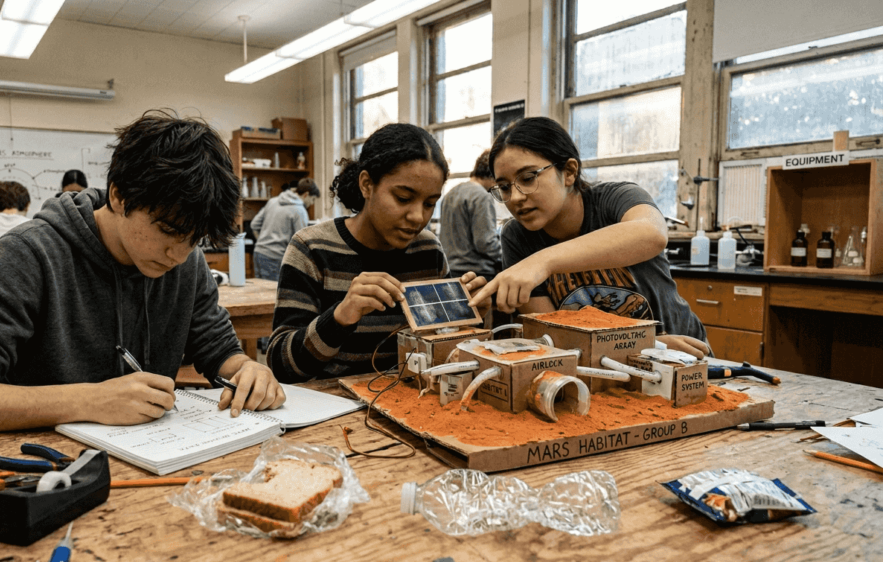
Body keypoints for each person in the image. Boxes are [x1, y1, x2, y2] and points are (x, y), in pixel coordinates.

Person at [0, 110, 285, 434]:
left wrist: (249, 371)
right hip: (42, 473)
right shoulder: (29, 254)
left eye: (195, 239)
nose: (178, 253)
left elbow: (219, 350)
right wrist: (89, 400)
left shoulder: (186, 260)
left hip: (151, 460)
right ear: (119, 196)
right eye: (167, 231)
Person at [470, 117, 710, 359]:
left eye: (528, 178)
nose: (516, 197)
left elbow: (652, 234)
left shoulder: (616, 199)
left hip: (681, 352)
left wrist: (542, 261)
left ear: (569, 172)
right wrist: (644, 345)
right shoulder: (517, 236)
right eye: (504, 187)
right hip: (603, 362)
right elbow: (551, 336)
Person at [267, 123, 487, 384]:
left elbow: (445, 355)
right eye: (403, 198)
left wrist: (471, 323)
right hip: (332, 413)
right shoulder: (312, 248)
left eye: (430, 204)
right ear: (367, 185)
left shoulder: (428, 251)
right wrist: (339, 318)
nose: (418, 217)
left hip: (411, 403)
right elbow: (281, 366)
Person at [438, 150, 502, 281]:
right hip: (477, 273)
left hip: (451, 271)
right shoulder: (482, 196)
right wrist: (506, 255)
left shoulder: (451, 193)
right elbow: (485, 242)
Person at [251, 177, 320, 281]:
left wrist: (264, 242)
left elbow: (254, 225)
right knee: (273, 296)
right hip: (276, 258)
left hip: (258, 254)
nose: (312, 203)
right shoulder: (300, 211)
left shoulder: (273, 201)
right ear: (306, 194)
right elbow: (302, 242)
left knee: (260, 294)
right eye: (313, 199)